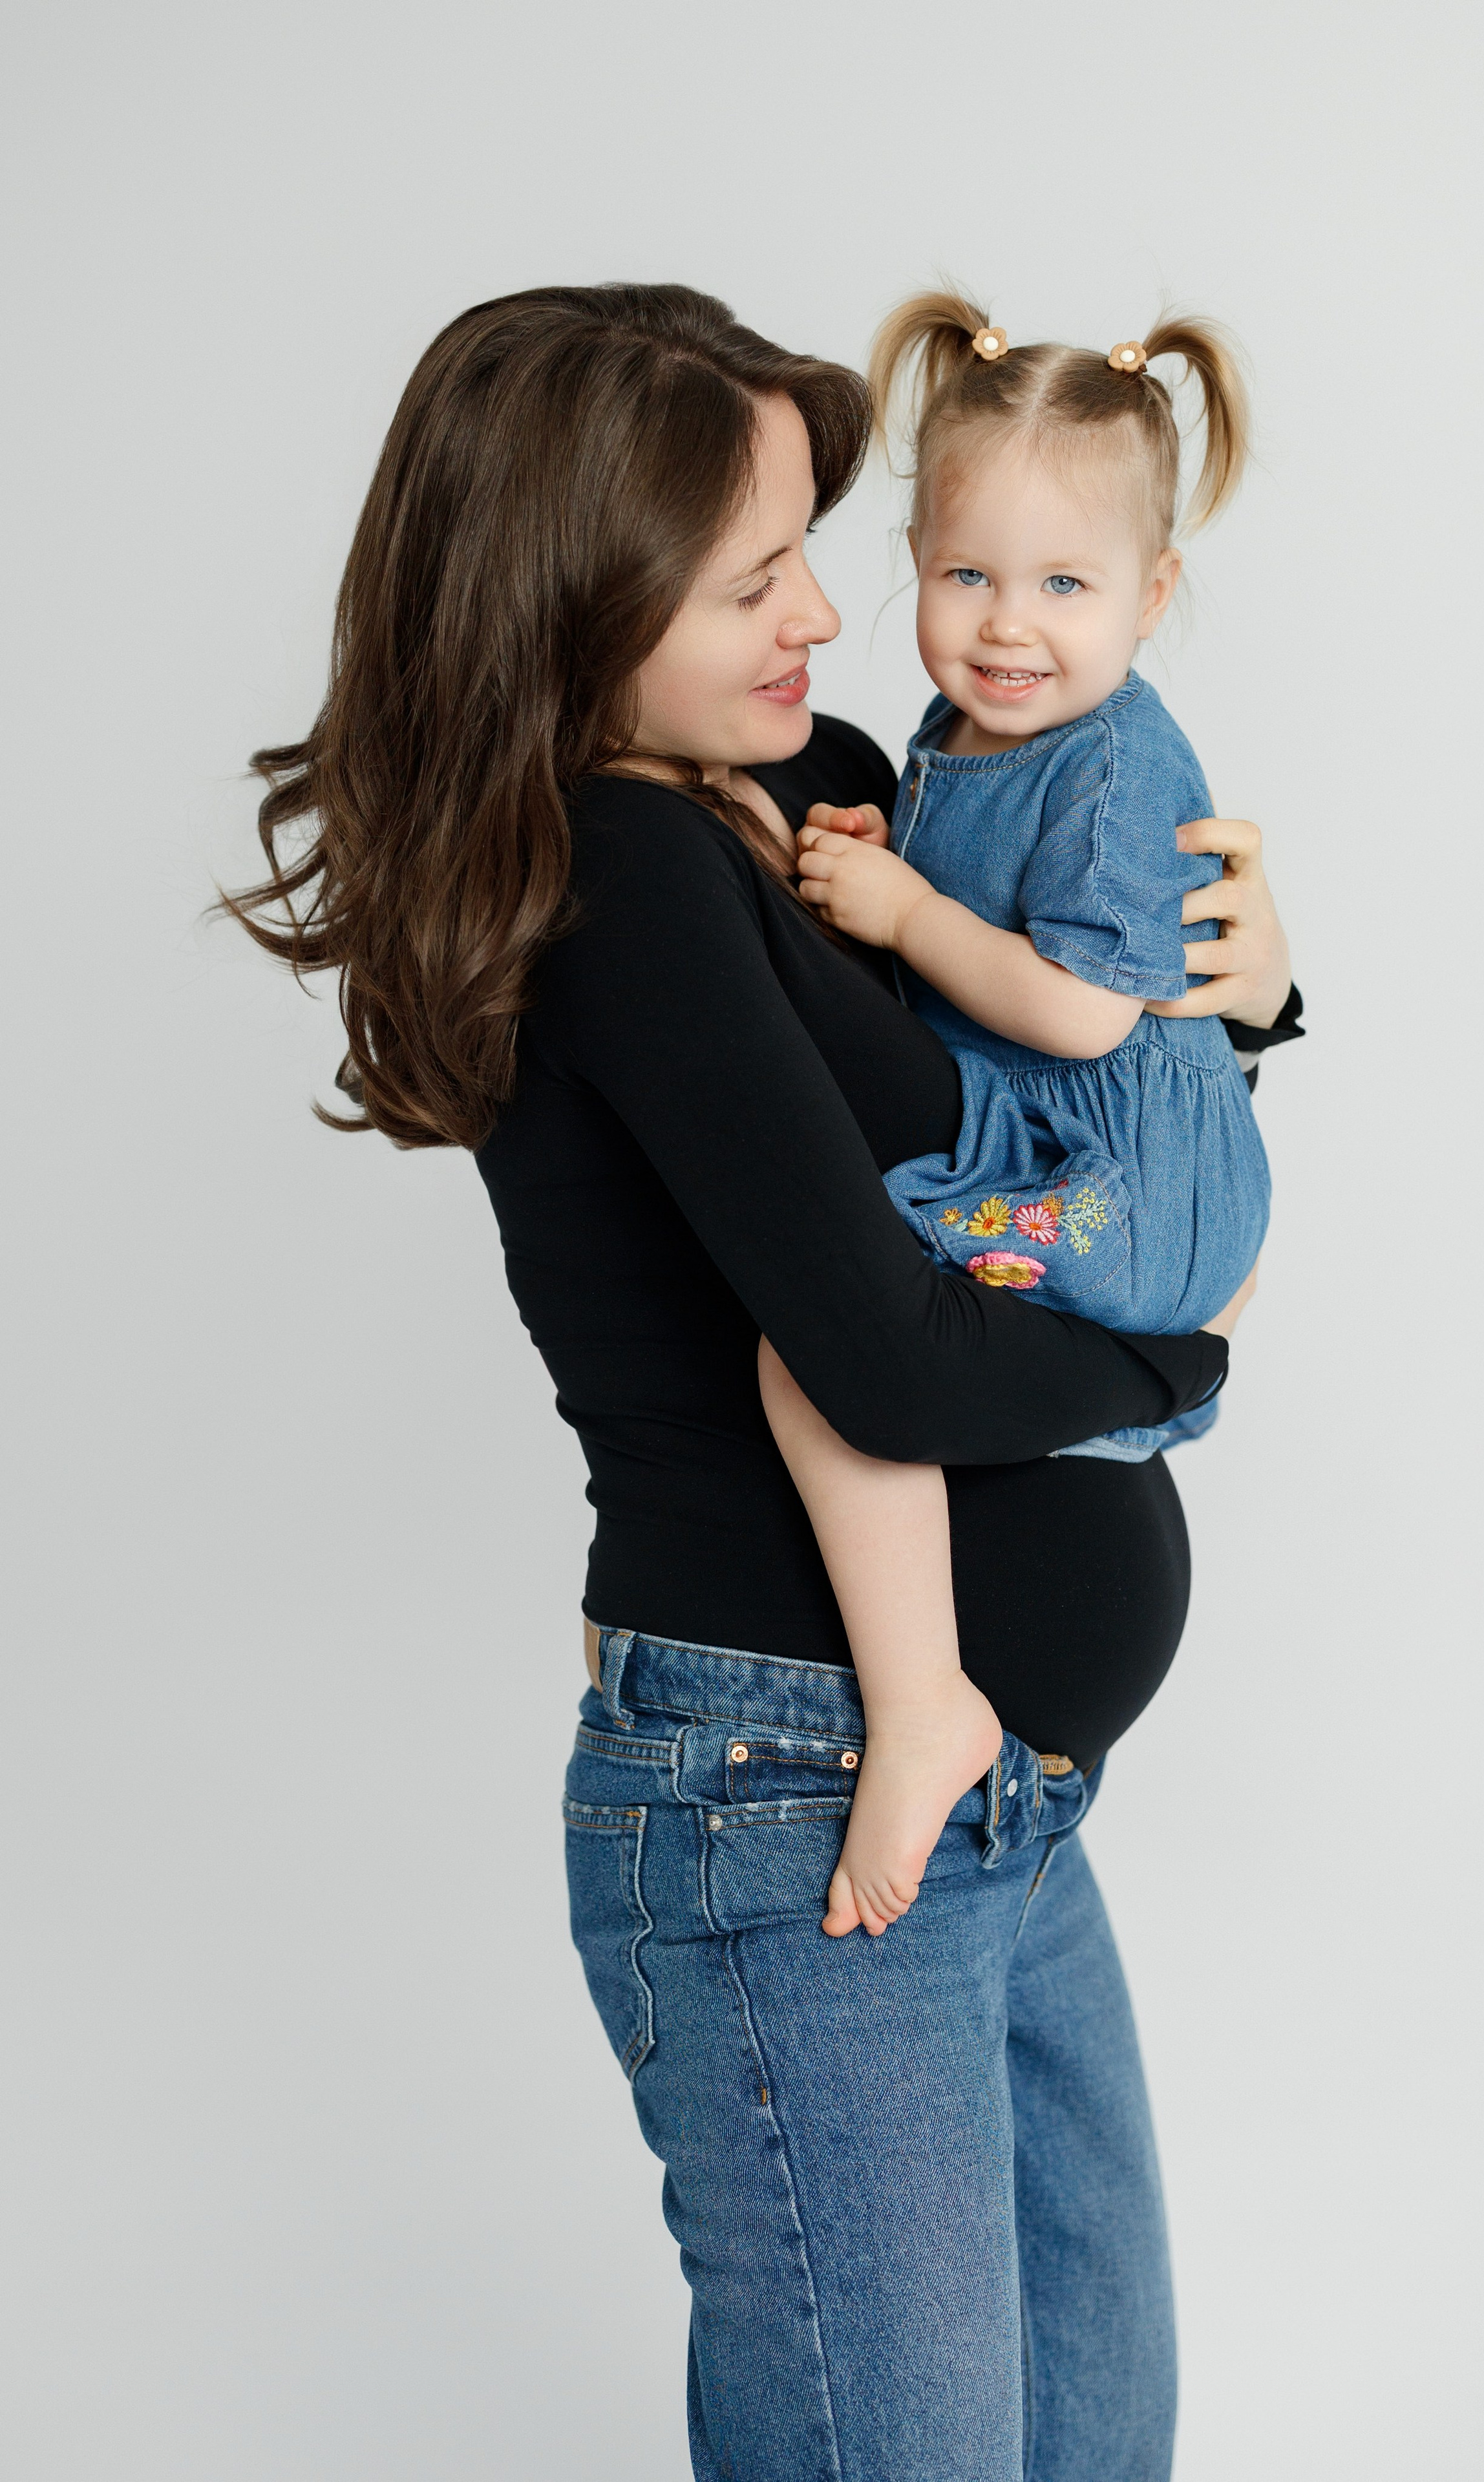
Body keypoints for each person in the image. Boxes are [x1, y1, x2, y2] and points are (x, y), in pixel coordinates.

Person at [226, 282, 1301, 2482]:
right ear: (574, 597)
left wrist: (1254, 1000)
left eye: (819, 542)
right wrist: (1178, 1351)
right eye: (752, 581)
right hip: (794, 1807)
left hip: (1002, 1796)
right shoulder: (620, 872)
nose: (835, 612)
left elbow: (1052, 1023)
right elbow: (885, 1352)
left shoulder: (783, 794)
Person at [756, 292, 1281, 1942]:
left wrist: (906, 912)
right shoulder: (963, 731)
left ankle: (921, 1707)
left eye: (1065, 586)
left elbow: (1074, 1008)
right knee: (838, 1307)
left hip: (1118, 1183)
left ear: (1153, 593)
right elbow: (963, 931)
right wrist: (889, 857)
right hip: (1075, 1162)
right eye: (965, 575)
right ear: (912, 559)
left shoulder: (1117, 765)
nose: (1007, 626)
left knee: (820, 1336)